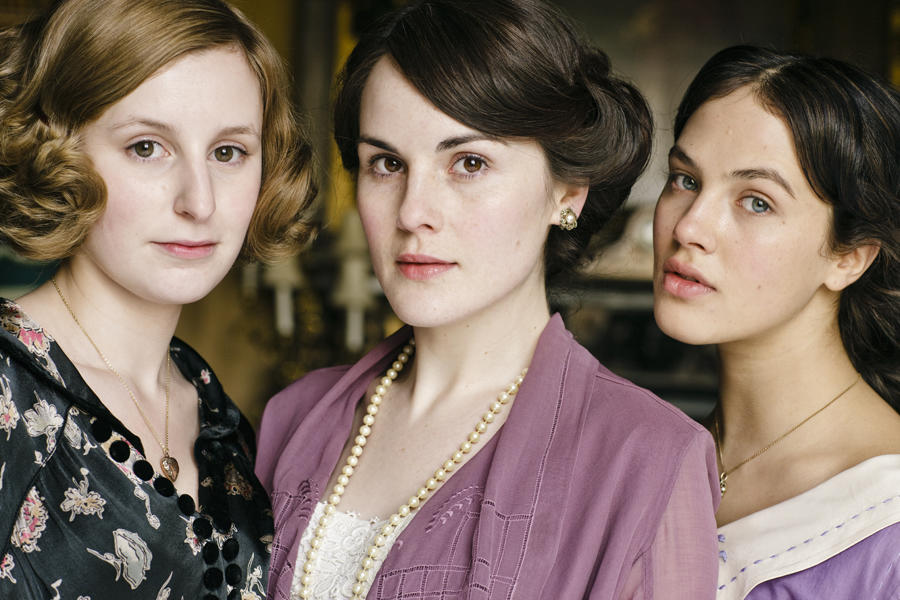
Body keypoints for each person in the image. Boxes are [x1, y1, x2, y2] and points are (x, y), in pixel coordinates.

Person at [255, 1, 720, 598]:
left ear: (568, 192)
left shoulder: (648, 459)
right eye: (386, 164)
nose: (413, 213)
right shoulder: (293, 417)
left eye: (469, 163)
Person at [0, 0, 316, 598]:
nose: (199, 202)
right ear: (59, 152)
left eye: (228, 153)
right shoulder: (8, 390)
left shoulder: (214, 412)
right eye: (148, 147)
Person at [652, 45, 900, 599]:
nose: (690, 226)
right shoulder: (656, 453)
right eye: (685, 179)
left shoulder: (885, 525)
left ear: (848, 257)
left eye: (756, 201)